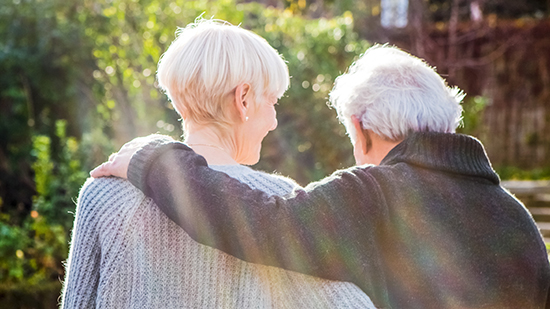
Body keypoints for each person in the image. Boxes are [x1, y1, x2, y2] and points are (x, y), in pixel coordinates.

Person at [93, 45, 550, 308]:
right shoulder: (517, 222)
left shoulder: (373, 195)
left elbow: (259, 223)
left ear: (360, 128)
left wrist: (157, 160)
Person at [62, 19, 375, 308]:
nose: (274, 121)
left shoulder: (103, 194)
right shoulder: (281, 202)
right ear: (243, 99)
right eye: (272, 101)